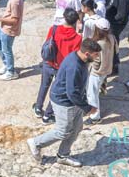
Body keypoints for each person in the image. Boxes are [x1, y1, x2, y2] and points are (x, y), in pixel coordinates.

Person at [26, 39, 101, 167]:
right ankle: (36, 143)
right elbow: (71, 92)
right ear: (87, 53)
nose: (98, 57)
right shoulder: (74, 66)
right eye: (96, 54)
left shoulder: (80, 58)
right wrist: (88, 108)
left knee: (76, 128)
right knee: (63, 131)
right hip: (64, 102)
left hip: (75, 101)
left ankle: (63, 155)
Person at [34, 8, 82, 123]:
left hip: (48, 63)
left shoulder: (53, 29)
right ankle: (47, 115)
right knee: (56, 91)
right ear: (76, 21)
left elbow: (47, 44)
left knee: (44, 86)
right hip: (62, 68)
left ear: (64, 18)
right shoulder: (78, 38)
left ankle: (38, 108)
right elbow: (75, 57)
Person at [85, 18, 115, 124]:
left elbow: (96, 61)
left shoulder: (98, 43)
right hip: (107, 69)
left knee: (92, 94)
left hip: (96, 72)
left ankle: (95, 116)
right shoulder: (112, 38)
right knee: (96, 89)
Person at [0, 0, 23, 79]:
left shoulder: (15, 1)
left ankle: (11, 72)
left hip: (9, 29)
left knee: (7, 50)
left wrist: (0, 19)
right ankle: (6, 64)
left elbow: (15, 20)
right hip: (3, 27)